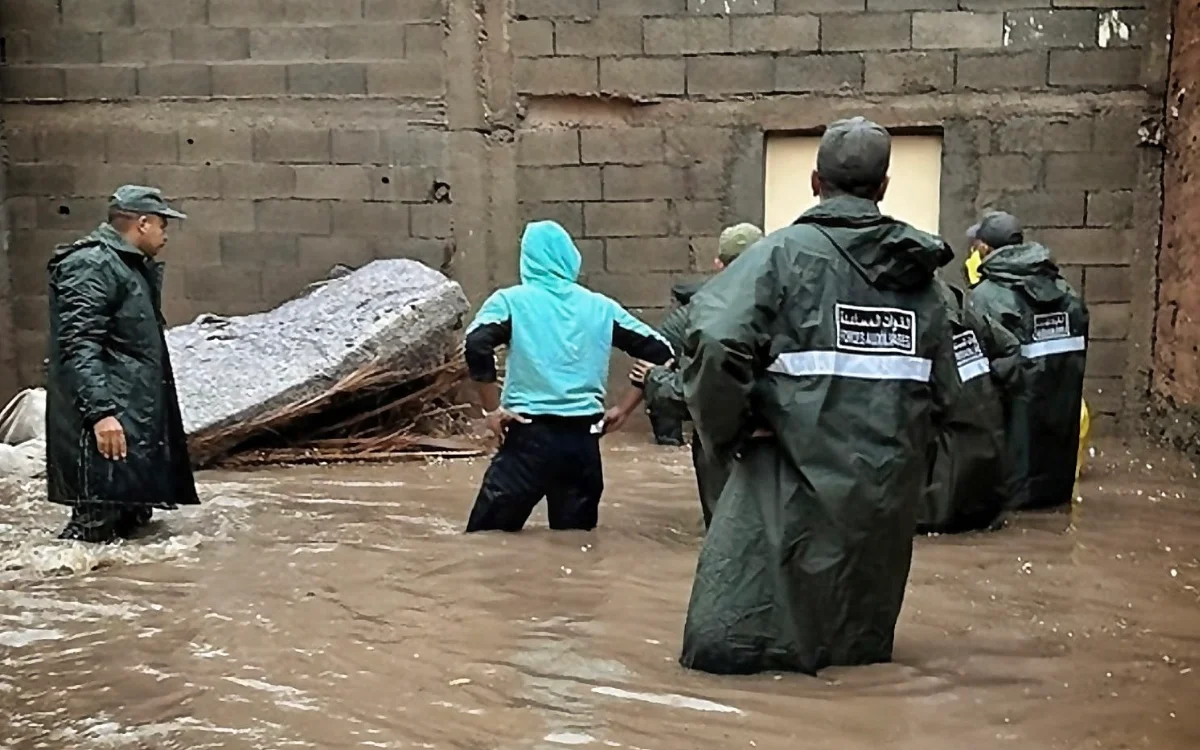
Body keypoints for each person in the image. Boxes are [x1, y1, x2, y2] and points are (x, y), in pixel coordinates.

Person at [677, 117, 959, 676]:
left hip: (788, 477)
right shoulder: (924, 284)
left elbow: (714, 338)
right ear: (883, 187)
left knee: (732, 649)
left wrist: (729, 431)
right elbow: (954, 392)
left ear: (814, 182)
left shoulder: (778, 258)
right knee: (852, 653)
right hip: (883, 492)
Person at [462, 220, 673, 533]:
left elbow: (476, 344)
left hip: (527, 439)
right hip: (583, 444)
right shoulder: (602, 307)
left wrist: (492, 410)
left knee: (486, 541)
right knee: (575, 544)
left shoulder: (511, 302)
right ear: (571, 257)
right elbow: (663, 352)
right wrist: (624, 408)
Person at [46, 185, 198, 543]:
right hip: (107, 427)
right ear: (142, 223)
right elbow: (79, 345)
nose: (165, 235)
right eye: (162, 225)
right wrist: (101, 414)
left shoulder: (129, 267)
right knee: (92, 533)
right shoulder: (92, 264)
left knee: (133, 534)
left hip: (133, 424)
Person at [631, 223, 764, 528]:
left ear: (719, 264)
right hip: (780, 445)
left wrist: (652, 382)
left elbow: (699, 393)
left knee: (730, 534)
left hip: (725, 440)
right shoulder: (797, 306)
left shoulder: (708, 314)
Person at [965, 211, 1089, 511]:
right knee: (1054, 515)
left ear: (984, 248)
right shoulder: (1065, 291)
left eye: (975, 245)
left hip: (1011, 470)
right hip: (1058, 467)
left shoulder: (984, 297)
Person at [918, 236, 1022, 534]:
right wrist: (988, 389)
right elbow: (1010, 348)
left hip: (945, 492)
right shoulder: (956, 300)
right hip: (989, 480)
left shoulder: (919, 311)